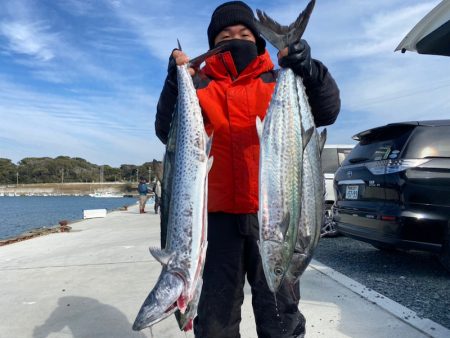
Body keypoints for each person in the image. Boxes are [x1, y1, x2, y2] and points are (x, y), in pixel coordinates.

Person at [155, 1, 340, 337]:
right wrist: (174, 82)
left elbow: (327, 112)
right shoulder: (199, 86)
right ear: (212, 45)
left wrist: (310, 69)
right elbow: (165, 131)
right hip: (216, 222)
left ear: (257, 40)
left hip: (270, 215)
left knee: (280, 316)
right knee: (215, 320)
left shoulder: (278, 79)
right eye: (225, 35)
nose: (235, 39)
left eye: (243, 33)